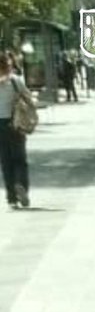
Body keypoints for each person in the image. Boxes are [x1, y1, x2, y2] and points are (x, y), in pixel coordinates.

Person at [0, 54, 35, 209]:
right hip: (15, 124)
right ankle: (21, 185)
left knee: (6, 162)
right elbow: (28, 98)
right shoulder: (15, 81)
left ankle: (11, 199)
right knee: (19, 159)